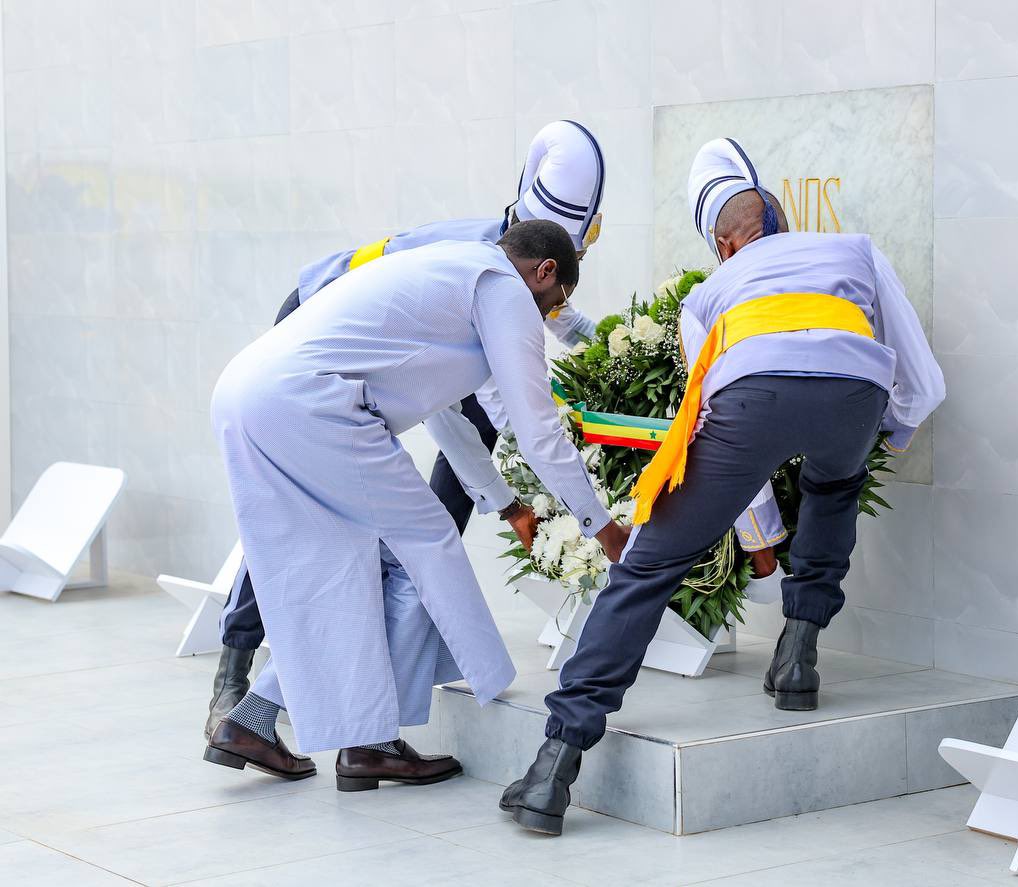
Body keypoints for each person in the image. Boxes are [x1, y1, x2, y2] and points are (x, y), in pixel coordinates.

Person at [500, 138, 946, 835]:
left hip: (750, 400)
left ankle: (554, 764)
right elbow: (917, 368)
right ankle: (798, 658)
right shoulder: (857, 251)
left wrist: (760, 536)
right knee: (836, 486)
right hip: (856, 391)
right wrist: (893, 428)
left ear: (724, 243)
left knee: (648, 567)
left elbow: (713, 422)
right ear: (780, 221)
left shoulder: (709, 294)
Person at [203, 120, 607, 740]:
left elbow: (443, 410)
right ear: (546, 267)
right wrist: (598, 524)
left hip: (264, 385)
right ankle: (280, 709)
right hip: (310, 379)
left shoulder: (480, 260)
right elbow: (524, 425)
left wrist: (505, 503)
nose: (547, 316)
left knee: (354, 550)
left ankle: (295, 726)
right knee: (410, 547)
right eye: (553, 298)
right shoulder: (499, 284)